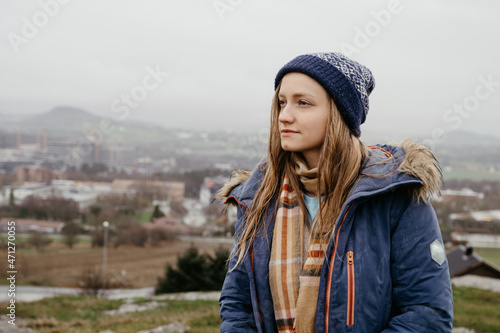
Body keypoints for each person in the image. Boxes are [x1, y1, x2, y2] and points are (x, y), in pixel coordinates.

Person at [217, 52, 453, 332]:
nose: (285, 116)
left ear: (340, 113)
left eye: (303, 103)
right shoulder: (257, 197)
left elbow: (426, 314)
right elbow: (238, 304)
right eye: (282, 103)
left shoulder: (395, 195)